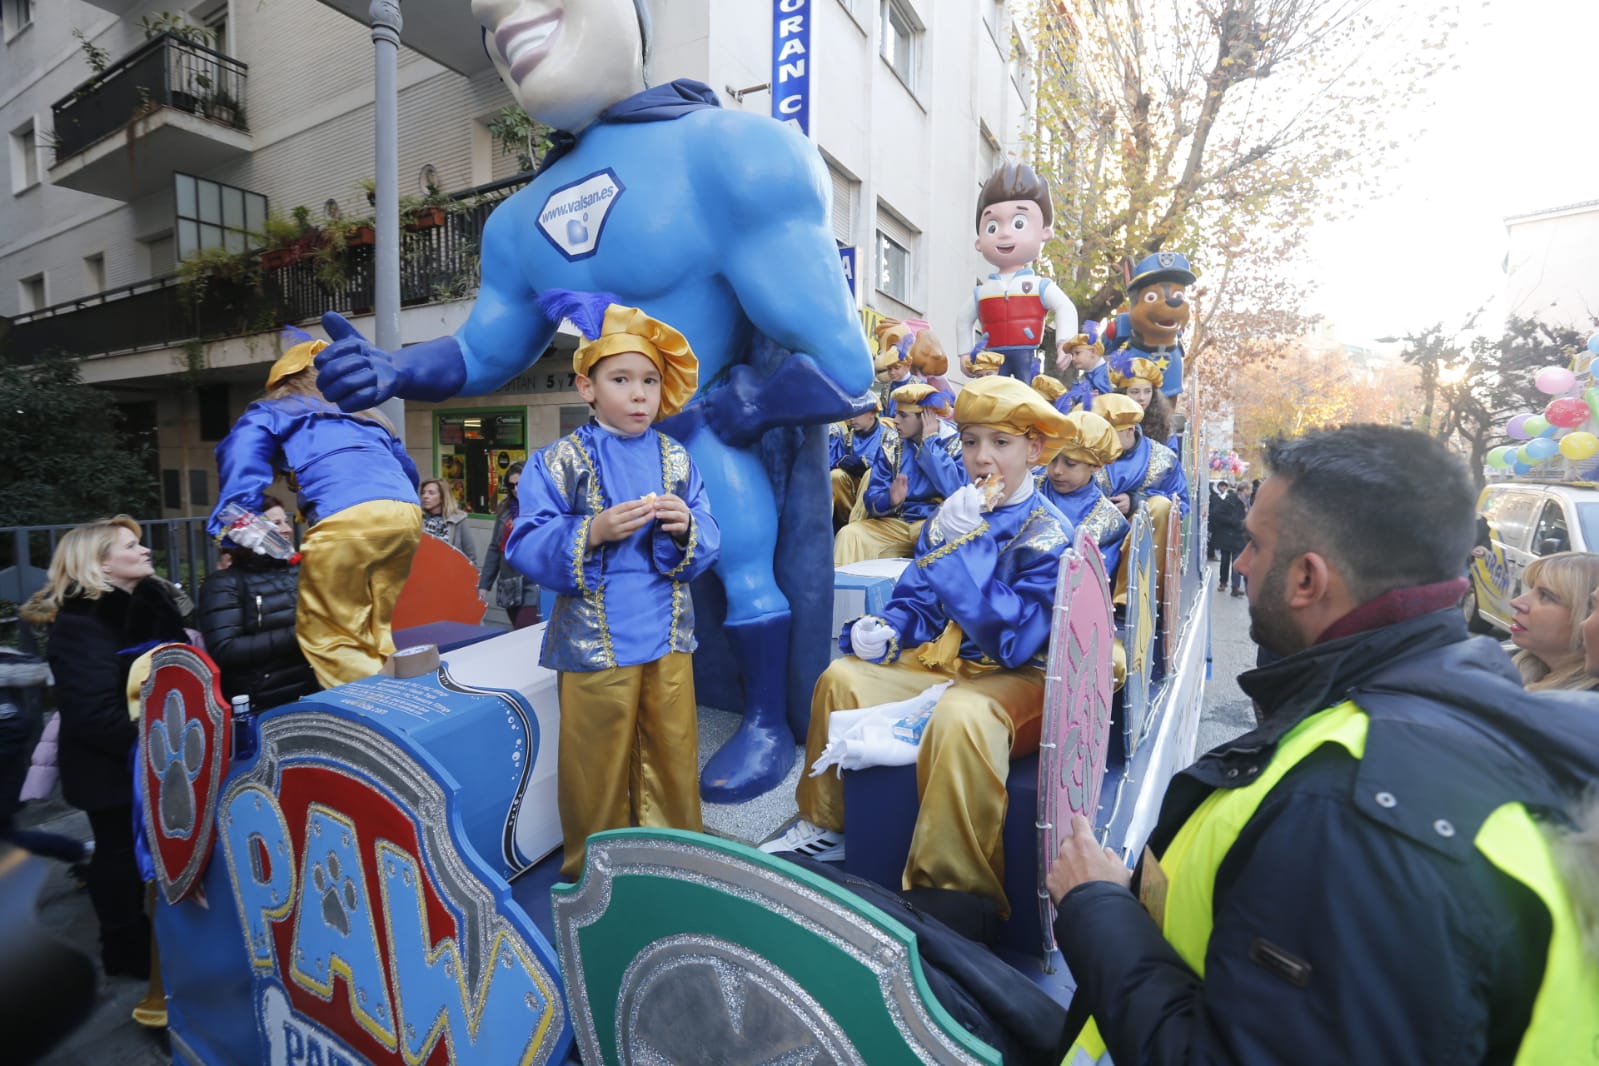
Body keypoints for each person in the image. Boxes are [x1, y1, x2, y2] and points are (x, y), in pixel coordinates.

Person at [315, 0, 875, 802]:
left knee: (747, 571)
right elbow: (483, 351)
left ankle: (763, 720)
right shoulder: (518, 222)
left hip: (699, 429)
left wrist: (743, 406)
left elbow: (841, 362)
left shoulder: (733, 153)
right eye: (488, 15)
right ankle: (610, 735)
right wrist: (394, 370)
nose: (499, 14)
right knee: (588, 587)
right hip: (603, 455)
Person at [1047, 424, 1599, 1064]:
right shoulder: (1466, 703)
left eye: (1255, 544)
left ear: (1307, 579)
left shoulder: (1353, 808)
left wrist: (1095, 909)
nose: (1243, 563)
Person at [764, 377, 1074, 918]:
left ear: (1035, 450)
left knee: (962, 716)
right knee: (842, 678)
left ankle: (955, 889)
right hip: (945, 662)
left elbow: (1014, 640)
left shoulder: (1051, 534)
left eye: (1001, 444)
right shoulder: (955, 511)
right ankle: (828, 826)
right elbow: (919, 601)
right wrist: (887, 628)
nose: (983, 458)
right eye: (973, 440)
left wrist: (968, 547)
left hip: (1019, 678)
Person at [504, 290, 721, 879]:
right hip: (594, 646)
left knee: (673, 758)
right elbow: (523, 540)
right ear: (586, 387)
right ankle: (595, 879)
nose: (638, 394)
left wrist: (687, 529)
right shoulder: (560, 461)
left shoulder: (677, 459)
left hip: (668, 640)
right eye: (621, 379)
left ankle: (678, 867)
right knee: (594, 767)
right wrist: (591, 531)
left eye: (649, 381)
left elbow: (709, 530)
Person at [20, 517, 188, 982]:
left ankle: (171, 937)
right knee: (117, 856)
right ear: (100, 564)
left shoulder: (155, 602)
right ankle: (126, 950)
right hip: (113, 768)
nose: (146, 550)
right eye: (131, 546)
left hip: (164, 755)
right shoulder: (79, 624)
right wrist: (159, 746)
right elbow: (93, 715)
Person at [211, 337, 422, 689]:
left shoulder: (276, 409)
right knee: (373, 623)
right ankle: (399, 684)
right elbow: (408, 471)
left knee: (327, 634)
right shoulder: (368, 415)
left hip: (347, 519)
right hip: (404, 515)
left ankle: (382, 711)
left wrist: (237, 512)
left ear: (282, 382)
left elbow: (240, 453)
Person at [955, 162, 1079, 381]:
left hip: (1027, 353)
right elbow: (963, 320)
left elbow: (1065, 307)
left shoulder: (1040, 286)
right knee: (994, 400)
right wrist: (965, 353)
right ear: (978, 242)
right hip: (992, 358)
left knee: (1027, 398)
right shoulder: (983, 291)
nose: (1004, 234)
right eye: (992, 227)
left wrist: (1065, 343)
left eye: (1019, 223)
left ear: (1044, 233)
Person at [196, 497, 319, 710]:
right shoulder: (224, 583)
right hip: (263, 704)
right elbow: (226, 649)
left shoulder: (300, 570)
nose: (287, 529)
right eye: (277, 523)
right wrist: (301, 633)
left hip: (313, 692)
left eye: (286, 521)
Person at [833, 383, 966, 566]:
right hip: (899, 524)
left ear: (926, 417)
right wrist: (890, 500)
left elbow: (958, 492)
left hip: (938, 524)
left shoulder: (956, 444)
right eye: (896, 413)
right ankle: (843, 594)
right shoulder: (891, 446)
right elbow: (872, 497)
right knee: (850, 535)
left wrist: (930, 445)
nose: (895, 420)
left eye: (903, 415)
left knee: (930, 536)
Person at [1036, 409, 1129, 579]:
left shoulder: (1110, 522)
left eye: (1070, 464)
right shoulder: (1028, 487)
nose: (1057, 471)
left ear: (1095, 466)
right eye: (1052, 459)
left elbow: (1094, 585)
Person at [1508, 551, 1599, 692]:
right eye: (1531, 589)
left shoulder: (1585, 707)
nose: (1516, 602)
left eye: (1545, 595)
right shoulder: (1502, 664)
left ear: (1586, 615)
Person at [478, 461, 542, 629]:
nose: (515, 489)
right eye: (511, 485)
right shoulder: (504, 509)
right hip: (509, 583)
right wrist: (484, 585)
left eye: (519, 484)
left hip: (532, 583)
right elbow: (494, 548)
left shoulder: (543, 508)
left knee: (526, 630)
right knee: (517, 630)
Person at [828, 402, 896, 530]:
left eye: (857, 413)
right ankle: (846, 525)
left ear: (872, 412)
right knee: (836, 476)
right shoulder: (847, 438)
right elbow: (832, 462)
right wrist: (841, 461)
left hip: (878, 492)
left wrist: (866, 464)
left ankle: (857, 525)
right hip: (853, 491)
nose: (851, 418)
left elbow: (894, 469)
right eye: (850, 414)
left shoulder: (889, 437)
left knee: (870, 473)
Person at [1107, 350, 1175, 448]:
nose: (1142, 398)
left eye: (1147, 391)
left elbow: (1171, 458)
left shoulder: (1164, 426)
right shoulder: (1109, 421)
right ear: (1122, 393)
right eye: (1135, 392)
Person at [1055, 322, 1112, 413]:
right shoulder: (1082, 379)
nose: (1073, 358)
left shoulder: (1112, 373)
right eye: (1072, 354)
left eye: (1077, 353)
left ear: (1093, 352)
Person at [419, 477, 476, 561]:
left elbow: (470, 556)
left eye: (431, 493)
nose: (425, 496)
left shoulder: (459, 520)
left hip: (450, 570)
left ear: (442, 497)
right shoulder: (418, 519)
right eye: (423, 493)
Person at [1209, 480, 1248, 597]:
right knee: (1225, 561)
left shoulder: (1245, 502)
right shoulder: (1229, 500)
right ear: (1242, 490)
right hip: (1227, 536)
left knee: (1236, 561)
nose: (1250, 492)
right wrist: (1234, 522)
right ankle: (1223, 582)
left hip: (1238, 537)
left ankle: (1235, 587)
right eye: (1248, 490)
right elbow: (1216, 514)